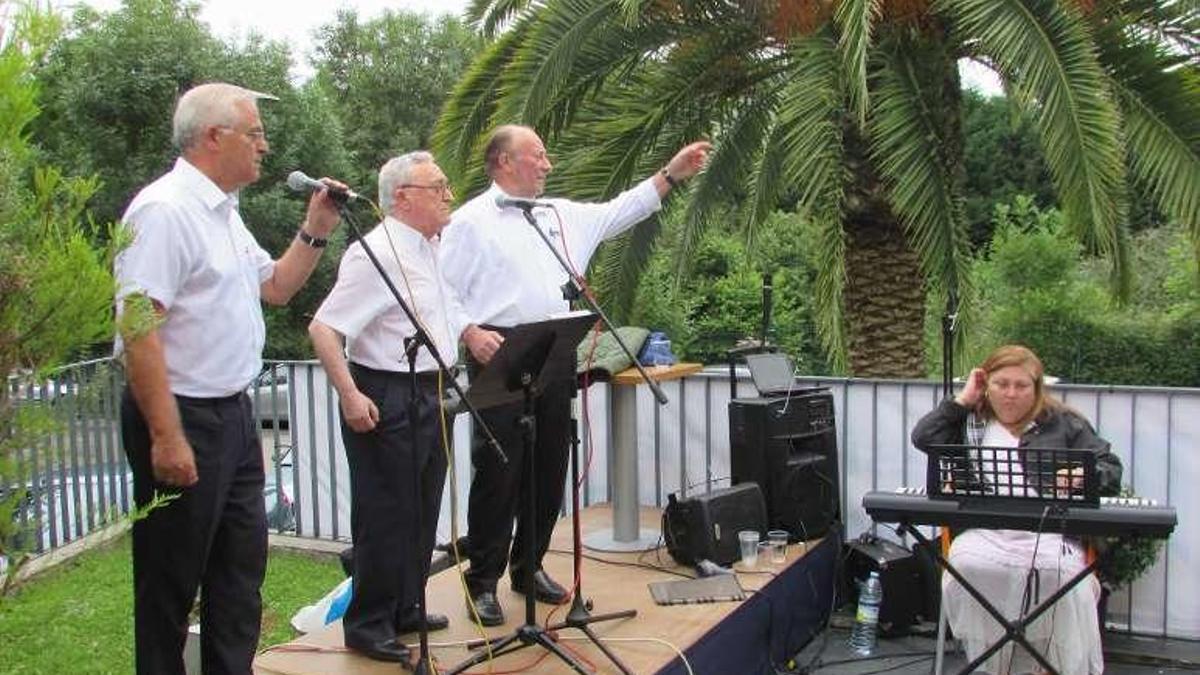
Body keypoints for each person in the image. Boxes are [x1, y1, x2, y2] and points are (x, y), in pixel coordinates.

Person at [440, 124, 710, 625]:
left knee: (549, 462)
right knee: (499, 470)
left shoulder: (558, 214)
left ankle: (530, 565)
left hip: (554, 345)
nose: (547, 164)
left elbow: (620, 209)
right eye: (537, 156)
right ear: (503, 162)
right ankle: (482, 580)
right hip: (497, 346)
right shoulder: (469, 221)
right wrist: (467, 330)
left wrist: (671, 174)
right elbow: (441, 287)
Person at [115, 82, 344, 674]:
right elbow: (137, 330)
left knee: (239, 577)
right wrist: (168, 437)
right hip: (181, 414)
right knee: (171, 582)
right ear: (214, 137)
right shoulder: (165, 211)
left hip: (233, 416)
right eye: (255, 133)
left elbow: (276, 287)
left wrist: (315, 227)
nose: (265, 146)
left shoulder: (222, 211)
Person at [308, 152, 476, 663]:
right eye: (438, 186)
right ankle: (367, 623)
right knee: (385, 513)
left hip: (431, 388)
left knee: (422, 506)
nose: (449, 194)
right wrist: (349, 394)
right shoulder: (375, 253)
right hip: (386, 390)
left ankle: (405, 604)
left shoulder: (429, 249)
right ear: (403, 197)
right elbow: (324, 328)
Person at [910, 344, 1122, 675]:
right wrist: (963, 400)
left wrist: (1083, 476)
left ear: (1037, 389)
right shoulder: (970, 422)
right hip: (986, 533)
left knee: (1064, 577)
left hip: (1052, 534)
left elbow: (1110, 467)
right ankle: (995, 664)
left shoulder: (1063, 423)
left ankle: (1051, 667)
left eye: (1021, 386)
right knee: (964, 564)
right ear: (986, 385)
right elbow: (924, 437)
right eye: (1001, 384)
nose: (1010, 394)